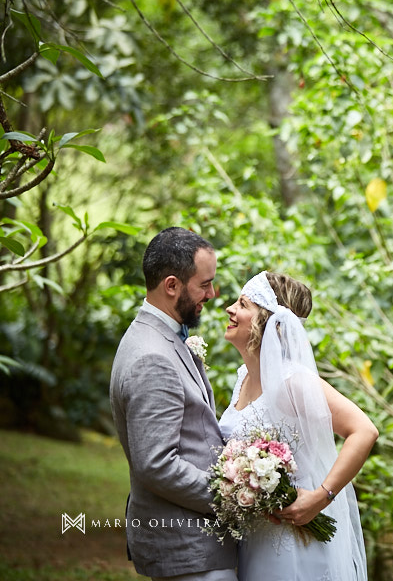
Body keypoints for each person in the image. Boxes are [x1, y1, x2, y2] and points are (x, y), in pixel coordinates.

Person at [219, 271, 378, 581]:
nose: (229, 309)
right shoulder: (244, 377)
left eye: (242, 304)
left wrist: (320, 497)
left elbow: (364, 430)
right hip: (255, 538)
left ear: (265, 321)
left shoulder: (293, 381)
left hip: (292, 541)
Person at [110, 227, 238, 581]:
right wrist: (236, 497)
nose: (213, 294)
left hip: (197, 545)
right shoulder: (152, 356)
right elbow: (157, 465)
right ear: (171, 285)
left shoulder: (158, 337)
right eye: (204, 284)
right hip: (189, 548)